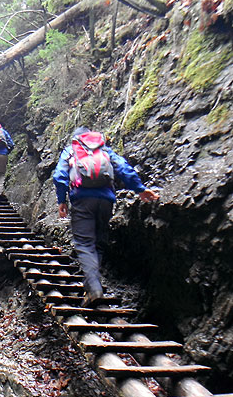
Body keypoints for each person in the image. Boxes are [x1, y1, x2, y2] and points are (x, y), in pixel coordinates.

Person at [53, 126, 159, 307]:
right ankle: (92, 284)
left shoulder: (72, 150)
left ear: (76, 138)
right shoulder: (103, 149)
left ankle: (94, 287)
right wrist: (139, 189)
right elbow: (123, 168)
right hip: (106, 201)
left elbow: (60, 175)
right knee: (99, 242)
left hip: (82, 199)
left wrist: (62, 201)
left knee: (84, 243)